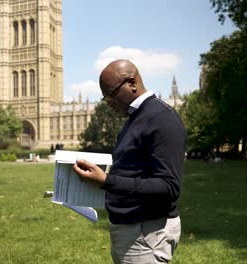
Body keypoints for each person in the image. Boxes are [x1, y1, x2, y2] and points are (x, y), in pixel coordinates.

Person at [73, 59, 186, 263]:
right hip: (129, 230)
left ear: (132, 83)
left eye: (111, 94)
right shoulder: (134, 119)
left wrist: (107, 181)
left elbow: (169, 187)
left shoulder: (161, 118)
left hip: (146, 232)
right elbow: (131, 173)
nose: (108, 102)